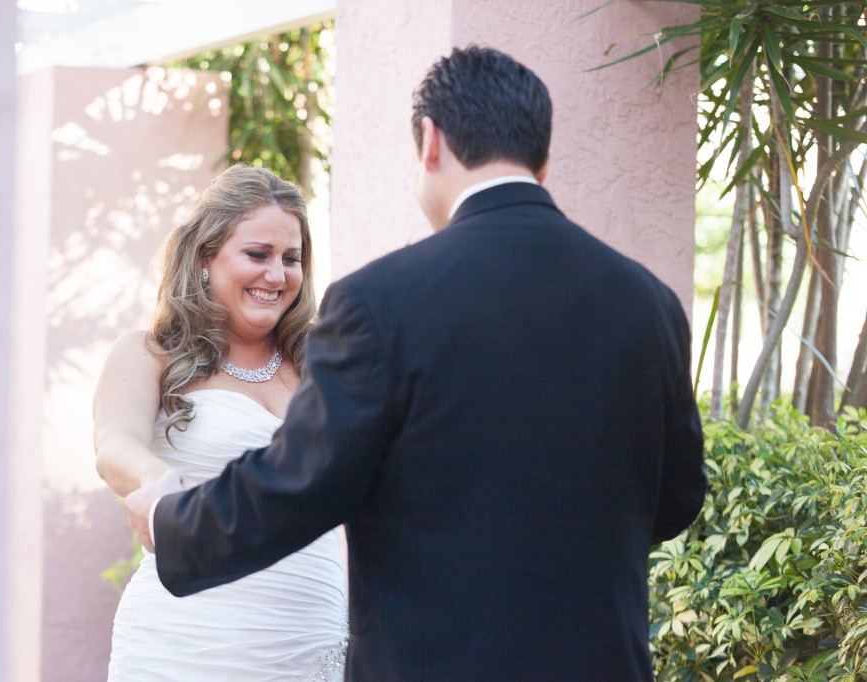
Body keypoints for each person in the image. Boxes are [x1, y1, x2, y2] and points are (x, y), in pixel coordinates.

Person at [128, 46, 707, 681]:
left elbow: (301, 483)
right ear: (542, 157)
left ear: (430, 141)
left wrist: (173, 521)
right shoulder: (648, 302)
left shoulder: (381, 303)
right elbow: (676, 499)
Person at [93, 164, 348, 681]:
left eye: (291, 259)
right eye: (258, 255)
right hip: (188, 638)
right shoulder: (151, 354)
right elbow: (114, 444)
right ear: (206, 258)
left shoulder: (327, 364)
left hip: (307, 638)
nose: (276, 276)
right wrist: (154, 480)